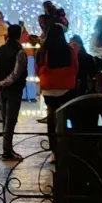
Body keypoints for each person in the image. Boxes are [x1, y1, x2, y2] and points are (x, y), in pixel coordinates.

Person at [37, 12, 78, 146]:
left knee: (51, 116)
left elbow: (38, 67)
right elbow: (75, 66)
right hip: (65, 87)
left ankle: (53, 144)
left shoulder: (43, 50)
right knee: (63, 115)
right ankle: (64, 143)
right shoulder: (69, 49)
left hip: (48, 87)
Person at [0, 24, 27, 161]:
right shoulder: (19, 51)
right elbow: (17, 73)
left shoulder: (0, 49)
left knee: (5, 119)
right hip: (14, 89)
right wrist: (5, 82)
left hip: (1, 90)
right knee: (11, 120)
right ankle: (7, 150)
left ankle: (6, 148)